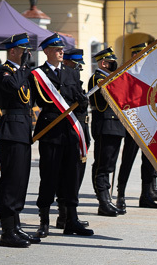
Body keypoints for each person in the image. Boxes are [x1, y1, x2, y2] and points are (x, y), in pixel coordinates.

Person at [31, 33, 93, 237]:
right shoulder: (37, 75)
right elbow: (41, 102)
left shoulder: (71, 73)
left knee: (71, 176)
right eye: (57, 50)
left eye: (61, 49)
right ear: (46, 52)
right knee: (49, 176)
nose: (61, 52)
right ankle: (44, 221)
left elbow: (78, 98)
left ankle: (71, 219)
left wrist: (82, 102)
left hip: (70, 132)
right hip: (51, 132)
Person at [0, 33, 40, 248]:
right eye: (23, 51)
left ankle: (16, 226)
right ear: (13, 51)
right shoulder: (2, 71)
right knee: (10, 181)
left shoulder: (23, 73)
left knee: (21, 181)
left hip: (23, 131)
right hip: (11, 129)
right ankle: (7, 231)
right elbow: (12, 86)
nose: (26, 55)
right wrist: (24, 68)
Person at [113, 43, 157, 212]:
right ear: (134, 55)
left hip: (149, 122)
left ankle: (146, 195)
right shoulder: (126, 73)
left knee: (148, 161)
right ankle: (121, 195)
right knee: (127, 160)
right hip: (133, 122)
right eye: (140, 55)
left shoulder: (151, 74)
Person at [55, 48, 90, 229]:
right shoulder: (60, 79)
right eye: (76, 65)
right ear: (67, 62)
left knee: (76, 175)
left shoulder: (75, 79)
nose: (78, 68)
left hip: (81, 133)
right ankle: (65, 215)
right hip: (69, 134)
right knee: (67, 176)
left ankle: (68, 215)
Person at [88, 47, 125, 217]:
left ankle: (107, 199)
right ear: (104, 63)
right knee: (102, 165)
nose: (114, 65)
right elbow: (103, 103)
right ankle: (103, 201)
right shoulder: (97, 78)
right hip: (105, 125)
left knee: (110, 164)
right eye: (111, 63)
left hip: (116, 126)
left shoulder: (109, 78)